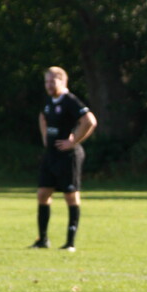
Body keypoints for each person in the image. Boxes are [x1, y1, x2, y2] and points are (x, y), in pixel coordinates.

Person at [30, 66, 97, 252]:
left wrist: (74, 141)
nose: (49, 85)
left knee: (71, 195)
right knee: (43, 194)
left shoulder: (70, 101)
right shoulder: (49, 100)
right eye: (46, 81)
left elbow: (90, 121)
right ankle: (42, 240)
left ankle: (70, 243)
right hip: (51, 154)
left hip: (68, 156)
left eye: (52, 81)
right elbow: (42, 116)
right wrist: (45, 137)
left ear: (63, 81)